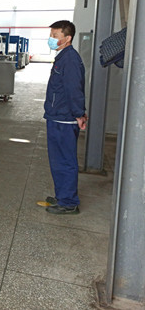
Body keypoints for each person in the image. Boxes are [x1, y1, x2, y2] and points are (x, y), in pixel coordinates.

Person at [43, 20, 87, 215]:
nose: (51, 39)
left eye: (55, 36)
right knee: (57, 161)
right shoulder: (63, 57)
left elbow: (74, 89)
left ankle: (68, 202)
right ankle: (62, 195)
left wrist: (79, 113)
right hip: (57, 116)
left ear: (67, 38)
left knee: (64, 161)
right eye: (51, 35)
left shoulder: (69, 59)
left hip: (64, 119)